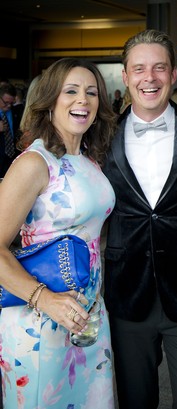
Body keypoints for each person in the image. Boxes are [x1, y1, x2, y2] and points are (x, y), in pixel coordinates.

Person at [103, 29, 177, 409]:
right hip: (127, 290)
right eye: (139, 68)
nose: (149, 77)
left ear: (172, 74)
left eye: (159, 68)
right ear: (125, 74)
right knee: (135, 400)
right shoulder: (101, 135)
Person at [0, 58, 117, 408]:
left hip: (87, 317)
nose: (83, 100)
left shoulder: (88, 159)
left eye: (91, 92)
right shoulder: (34, 163)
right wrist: (46, 300)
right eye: (71, 91)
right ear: (50, 100)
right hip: (37, 321)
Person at [0, 83, 21, 178]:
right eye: (5, 102)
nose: (8, 106)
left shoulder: (15, 111)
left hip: (13, 157)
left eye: (11, 103)